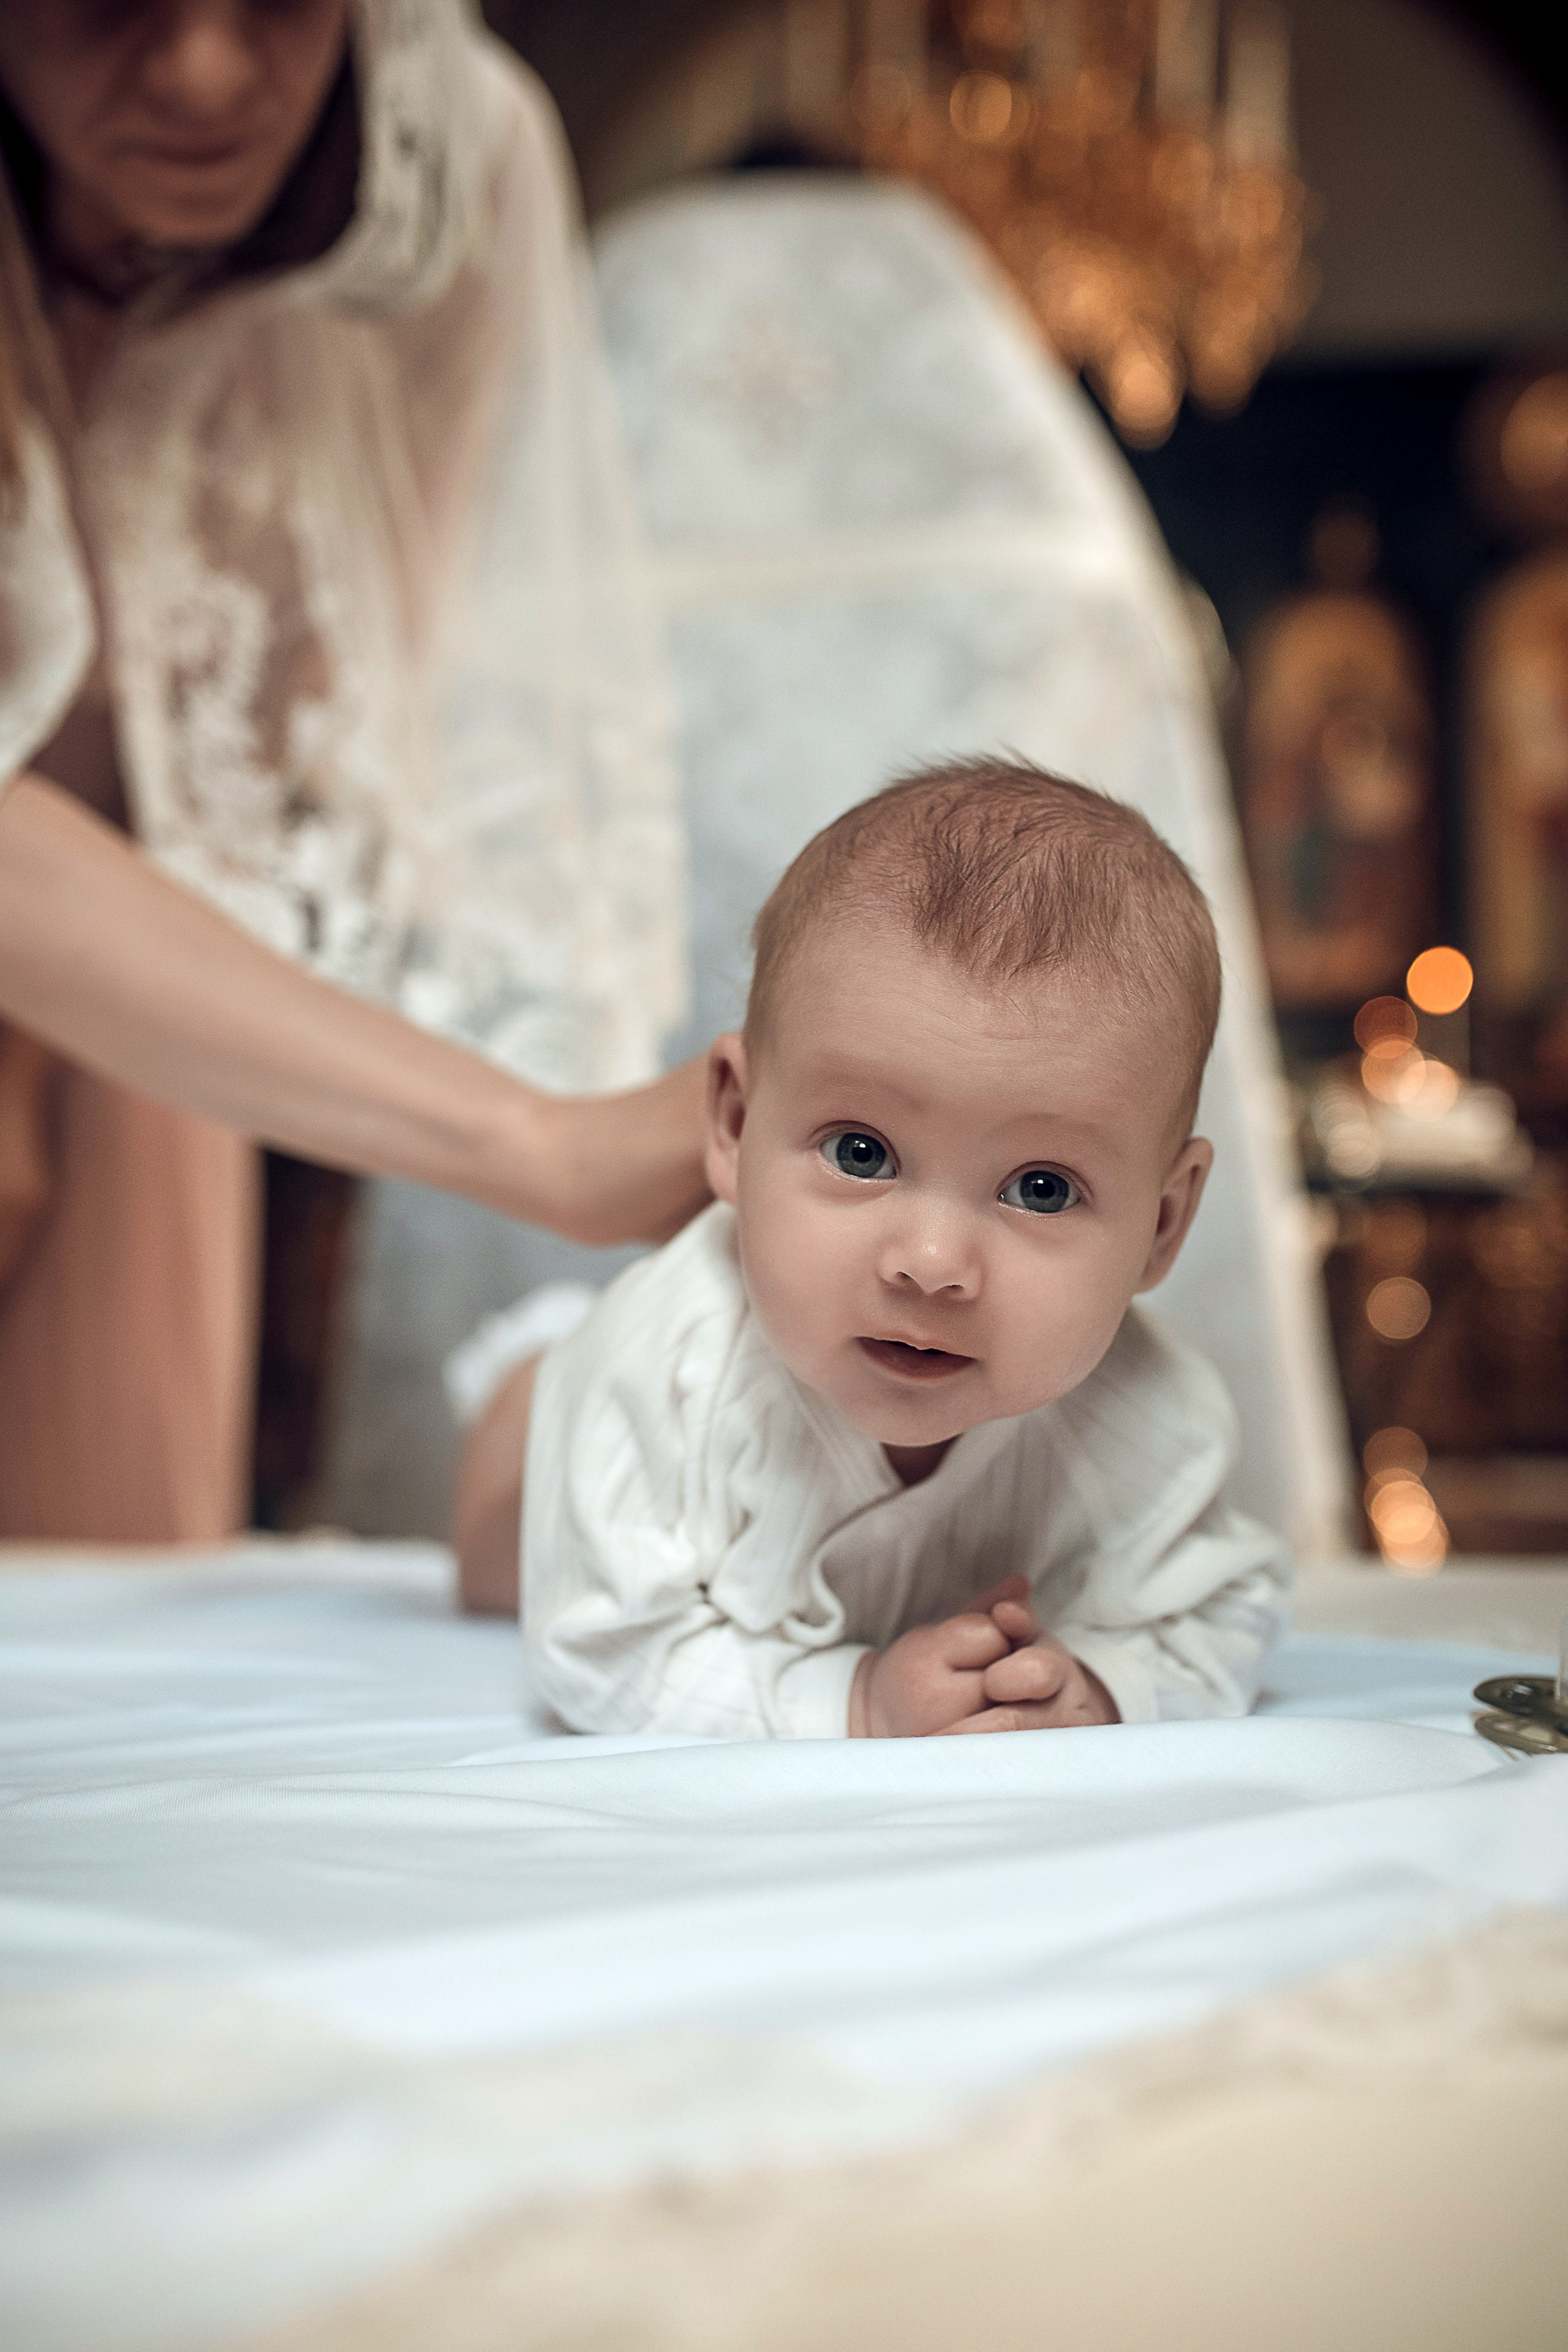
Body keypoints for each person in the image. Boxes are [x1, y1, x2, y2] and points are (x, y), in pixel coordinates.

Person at [0, 0, 701, 1540]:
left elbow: (271, 772)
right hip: (109, 944)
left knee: (110, 1648)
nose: (200, 71)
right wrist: (539, 1143)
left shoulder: (441, 164)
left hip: (156, 990)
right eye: (101, 0)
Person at [457, 758, 1288, 1740]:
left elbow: (1223, 1615)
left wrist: (1101, 1689)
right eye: (863, 1153)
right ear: (731, 1120)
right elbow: (598, 1649)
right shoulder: (660, 1372)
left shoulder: (1155, 1419)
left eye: (1042, 1188)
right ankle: (525, 1378)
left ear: (1161, 1223)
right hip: (554, 1429)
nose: (933, 1262)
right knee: (495, 1573)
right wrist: (852, 1705)